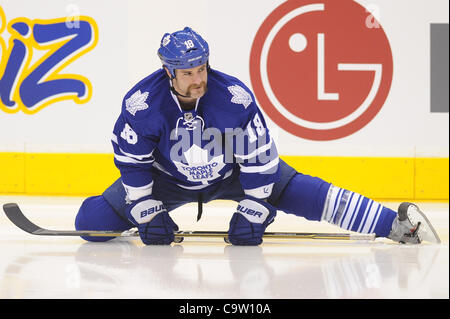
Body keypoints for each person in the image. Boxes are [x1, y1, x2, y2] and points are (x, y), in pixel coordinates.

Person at [74, 27, 440, 246]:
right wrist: (145, 208)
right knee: (91, 223)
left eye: (201, 68)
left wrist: (255, 207)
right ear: (169, 72)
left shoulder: (234, 98)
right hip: (167, 181)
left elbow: (261, 160)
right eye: (187, 73)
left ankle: (394, 224)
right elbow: (131, 161)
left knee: (307, 192)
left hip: (235, 173)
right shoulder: (142, 104)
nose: (198, 78)